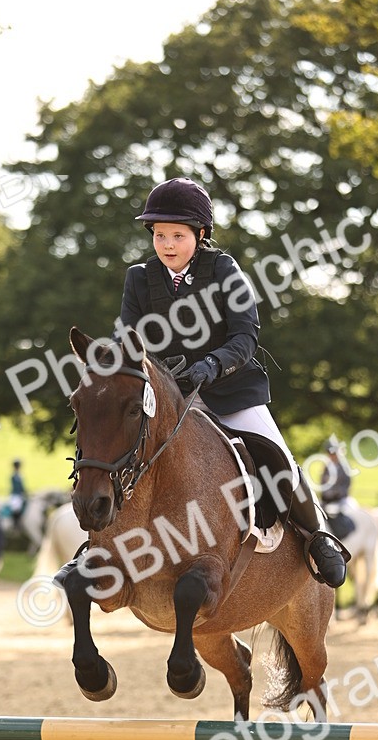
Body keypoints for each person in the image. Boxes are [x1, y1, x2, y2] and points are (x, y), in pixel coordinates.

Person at [110, 176, 347, 588]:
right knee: (115, 447)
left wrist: (212, 366)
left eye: (177, 236)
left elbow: (245, 336)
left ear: (200, 235)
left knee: (277, 454)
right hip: (171, 396)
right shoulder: (139, 278)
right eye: (160, 235)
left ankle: (318, 537)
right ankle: (100, 545)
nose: (166, 244)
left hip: (229, 390)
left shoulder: (222, 269)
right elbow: (130, 339)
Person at [9, 459, 27, 529]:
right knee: (16, 507)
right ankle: (15, 523)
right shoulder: (13, 476)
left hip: (20, 494)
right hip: (15, 494)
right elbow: (16, 486)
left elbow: (23, 486)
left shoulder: (20, 475)